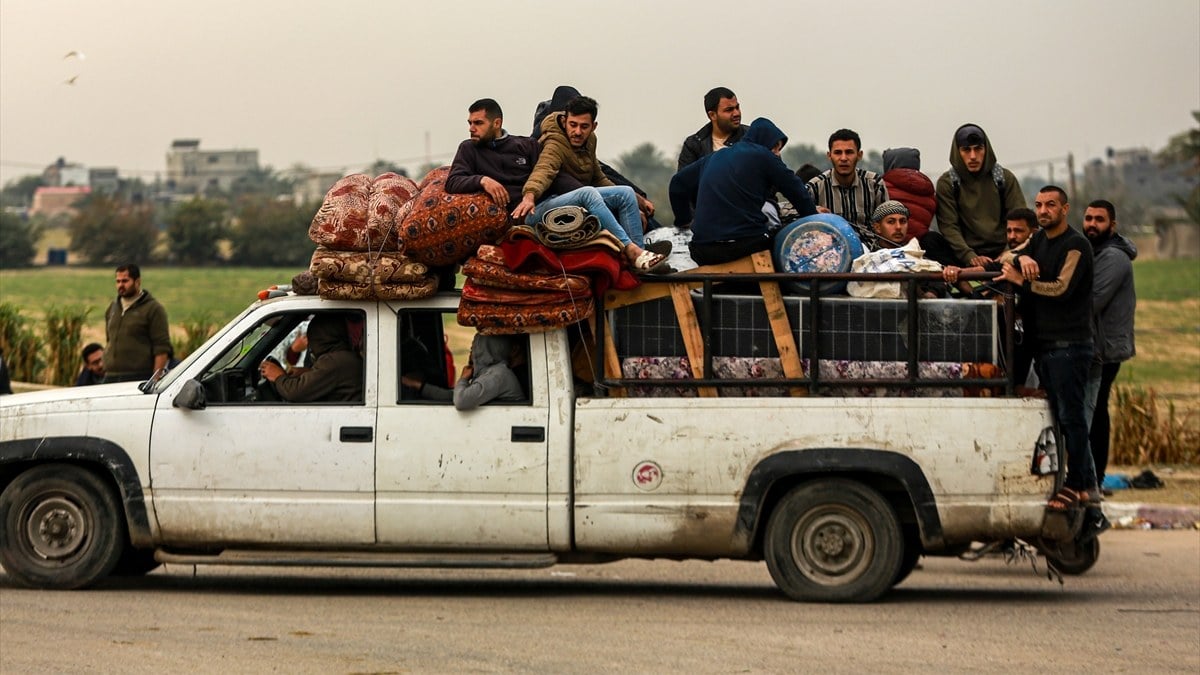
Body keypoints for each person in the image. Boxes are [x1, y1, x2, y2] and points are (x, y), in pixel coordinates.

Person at [996, 186, 1105, 537]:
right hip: (1046, 347)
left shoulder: (1076, 245)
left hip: (1070, 346)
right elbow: (1005, 256)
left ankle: (1080, 485)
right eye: (1039, 205)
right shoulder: (1038, 240)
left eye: (1051, 205)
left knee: (1072, 419)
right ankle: (1080, 488)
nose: (1043, 210)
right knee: (1058, 418)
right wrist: (1020, 260)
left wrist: (1022, 281)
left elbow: (1061, 288)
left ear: (1065, 209)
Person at [513, 95, 667, 272]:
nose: (578, 132)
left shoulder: (589, 141)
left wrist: (636, 199)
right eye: (573, 125)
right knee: (588, 193)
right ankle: (630, 249)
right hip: (540, 208)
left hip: (570, 200)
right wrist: (530, 196)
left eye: (584, 126)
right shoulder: (555, 142)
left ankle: (640, 258)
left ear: (594, 126)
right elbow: (544, 169)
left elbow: (598, 177)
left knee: (626, 193)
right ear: (564, 121)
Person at [669, 117, 817, 265]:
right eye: (776, 147)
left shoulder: (713, 157)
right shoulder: (765, 156)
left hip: (702, 250)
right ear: (765, 143)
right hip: (744, 246)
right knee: (782, 239)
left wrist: (684, 220)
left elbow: (677, 184)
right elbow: (796, 189)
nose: (778, 154)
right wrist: (814, 220)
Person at [1082, 199, 1136, 490]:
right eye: (1088, 218)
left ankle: (1096, 478)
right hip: (1097, 345)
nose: (1092, 224)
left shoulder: (1113, 257)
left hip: (1106, 349)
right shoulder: (1095, 251)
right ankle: (1092, 477)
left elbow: (1093, 300)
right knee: (1093, 410)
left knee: (1096, 411)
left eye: (1099, 219)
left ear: (1112, 225)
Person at [446, 98, 581, 208]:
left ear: (497, 123)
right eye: (470, 123)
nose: (471, 129)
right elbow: (453, 182)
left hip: (545, 202)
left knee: (588, 194)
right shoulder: (468, 148)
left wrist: (581, 190)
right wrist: (483, 180)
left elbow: (553, 175)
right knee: (587, 195)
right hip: (524, 213)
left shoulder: (526, 145)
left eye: (478, 123)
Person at [935, 124, 1027, 266]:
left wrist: (1008, 252)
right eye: (966, 150)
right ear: (957, 152)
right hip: (963, 254)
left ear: (986, 149)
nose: (973, 156)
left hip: (1005, 250)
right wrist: (969, 256)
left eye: (978, 149)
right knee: (932, 241)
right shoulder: (948, 183)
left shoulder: (1003, 178)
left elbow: (1020, 219)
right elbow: (949, 226)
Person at [259, 313, 363, 402]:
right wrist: (308, 372)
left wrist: (278, 376)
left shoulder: (333, 361)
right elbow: (328, 376)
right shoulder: (344, 358)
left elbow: (295, 393)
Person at [805, 129, 890, 232]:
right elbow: (793, 214)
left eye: (849, 152)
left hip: (869, 242)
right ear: (829, 155)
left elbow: (887, 223)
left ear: (859, 155)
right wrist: (813, 210)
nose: (843, 158)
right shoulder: (815, 187)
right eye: (838, 153)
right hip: (830, 241)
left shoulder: (875, 184)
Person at [104, 264, 171, 383]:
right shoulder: (112, 308)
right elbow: (109, 340)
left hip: (138, 376)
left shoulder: (153, 309)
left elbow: (161, 348)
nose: (121, 285)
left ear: (137, 281)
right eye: (118, 281)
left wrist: (155, 381)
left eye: (125, 281)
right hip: (111, 376)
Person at [677, 86, 749, 170]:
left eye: (737, 107)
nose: (736, 113)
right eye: (729, 110)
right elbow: (684, 177)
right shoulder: (694, 145)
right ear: (712, 115)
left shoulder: (751, 137)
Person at [453, 333, 525, 410]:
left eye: (474, 348)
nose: (472, 353)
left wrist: (464, 378)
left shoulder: (498, 375)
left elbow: (461, 401)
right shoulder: (494, 371)